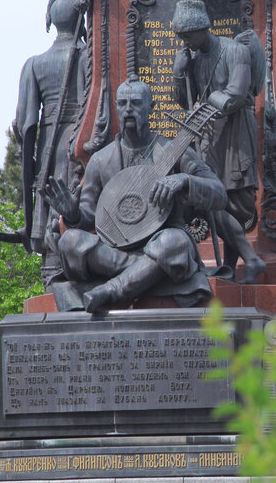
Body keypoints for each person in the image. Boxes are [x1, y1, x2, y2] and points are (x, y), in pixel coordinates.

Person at [43, 77, 226, 312]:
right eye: (122, 103)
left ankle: (112, 290)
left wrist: (183, 180)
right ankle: (146, 272)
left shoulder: (173, 152)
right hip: (117, 250)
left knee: (174, 242)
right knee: (70, 241)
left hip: (160, 241)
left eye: (137, 103)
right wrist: (73, 215)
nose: (128, 109)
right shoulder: (101, 160)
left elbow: (219, 194)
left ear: (151, 109)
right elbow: (91, 215)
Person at [171, 0, 266, 284]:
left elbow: (235, 97)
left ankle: (248, 260)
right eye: (181, 37)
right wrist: (180, 71)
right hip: (210, 137)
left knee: (235, 202)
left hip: (235, 135)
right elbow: (182, 101)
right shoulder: (195, 60)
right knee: (214, 202)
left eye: (187, 35)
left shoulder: (235, 51)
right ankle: (242, 262)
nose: (184, 41)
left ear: (203, 28)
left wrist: (207, 100)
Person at [13, 0, 87, 283]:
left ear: (52, 22)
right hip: (78, 140)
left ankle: (52, 267)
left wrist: (28, 154)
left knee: (50, 195)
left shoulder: (34, 64)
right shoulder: (87, 57)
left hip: (48, 144)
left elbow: (24, 124)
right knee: (74, 196)